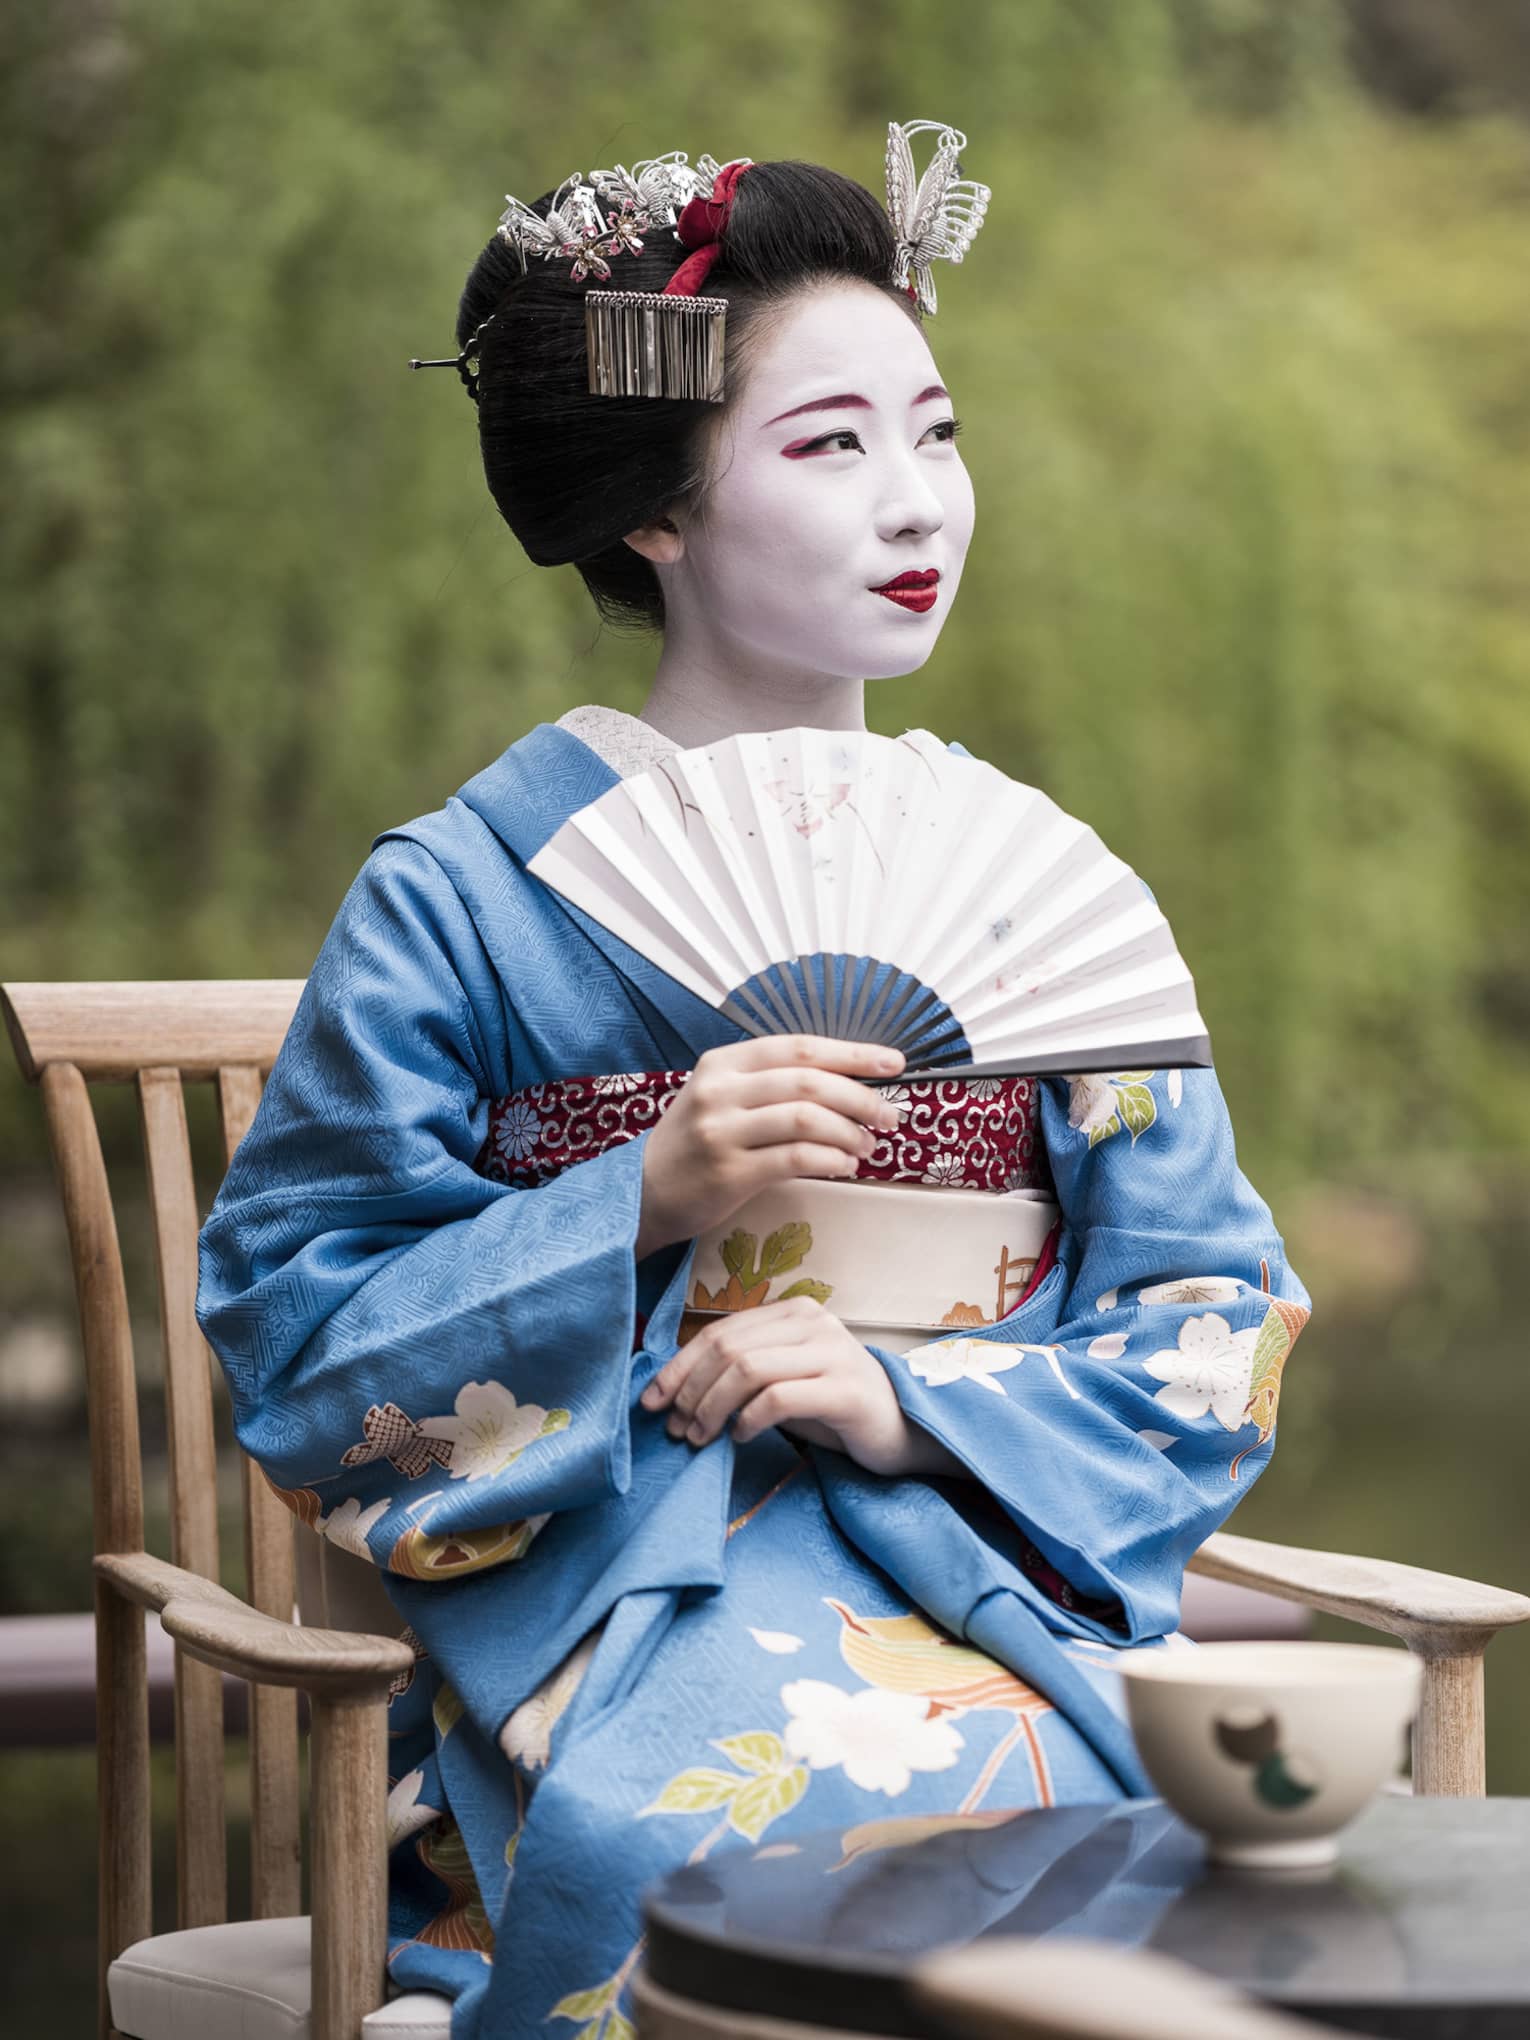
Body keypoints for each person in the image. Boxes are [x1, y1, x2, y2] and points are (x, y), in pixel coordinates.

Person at [196, 130, 1308, 2040]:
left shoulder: (1048, 892)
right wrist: (636, 1201)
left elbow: (1213, 1323)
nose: (918, 503)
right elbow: (297, 1328)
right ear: (656, 511)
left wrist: (905, 1395)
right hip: (620, 1587)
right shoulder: (461, 898)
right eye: (829, 446)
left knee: (1184, 1854)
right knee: (755, 1843)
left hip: (984, 1559)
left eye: (935, 430)